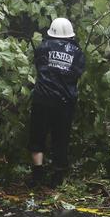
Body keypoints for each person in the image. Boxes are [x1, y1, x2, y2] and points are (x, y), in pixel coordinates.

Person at [28, 17, 86, 188]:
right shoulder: (77, 52)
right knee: (60, 139)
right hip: (64, 102)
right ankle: (57, 177)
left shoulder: (42, 47)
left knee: (37, 136)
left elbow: (38, 66)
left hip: (42, 99)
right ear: (70, 34)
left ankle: (37, 175)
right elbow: (78, 73)